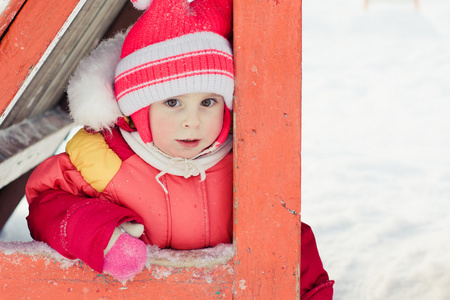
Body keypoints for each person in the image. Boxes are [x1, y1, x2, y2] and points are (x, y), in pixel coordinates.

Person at [25, 0, 333, 297]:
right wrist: (102, 236)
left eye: (208, 102)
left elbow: (283, 238)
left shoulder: (243, 166)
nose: (192, 121)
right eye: (172, 103)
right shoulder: (105, 162)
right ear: (139, 110)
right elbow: (47, 206)